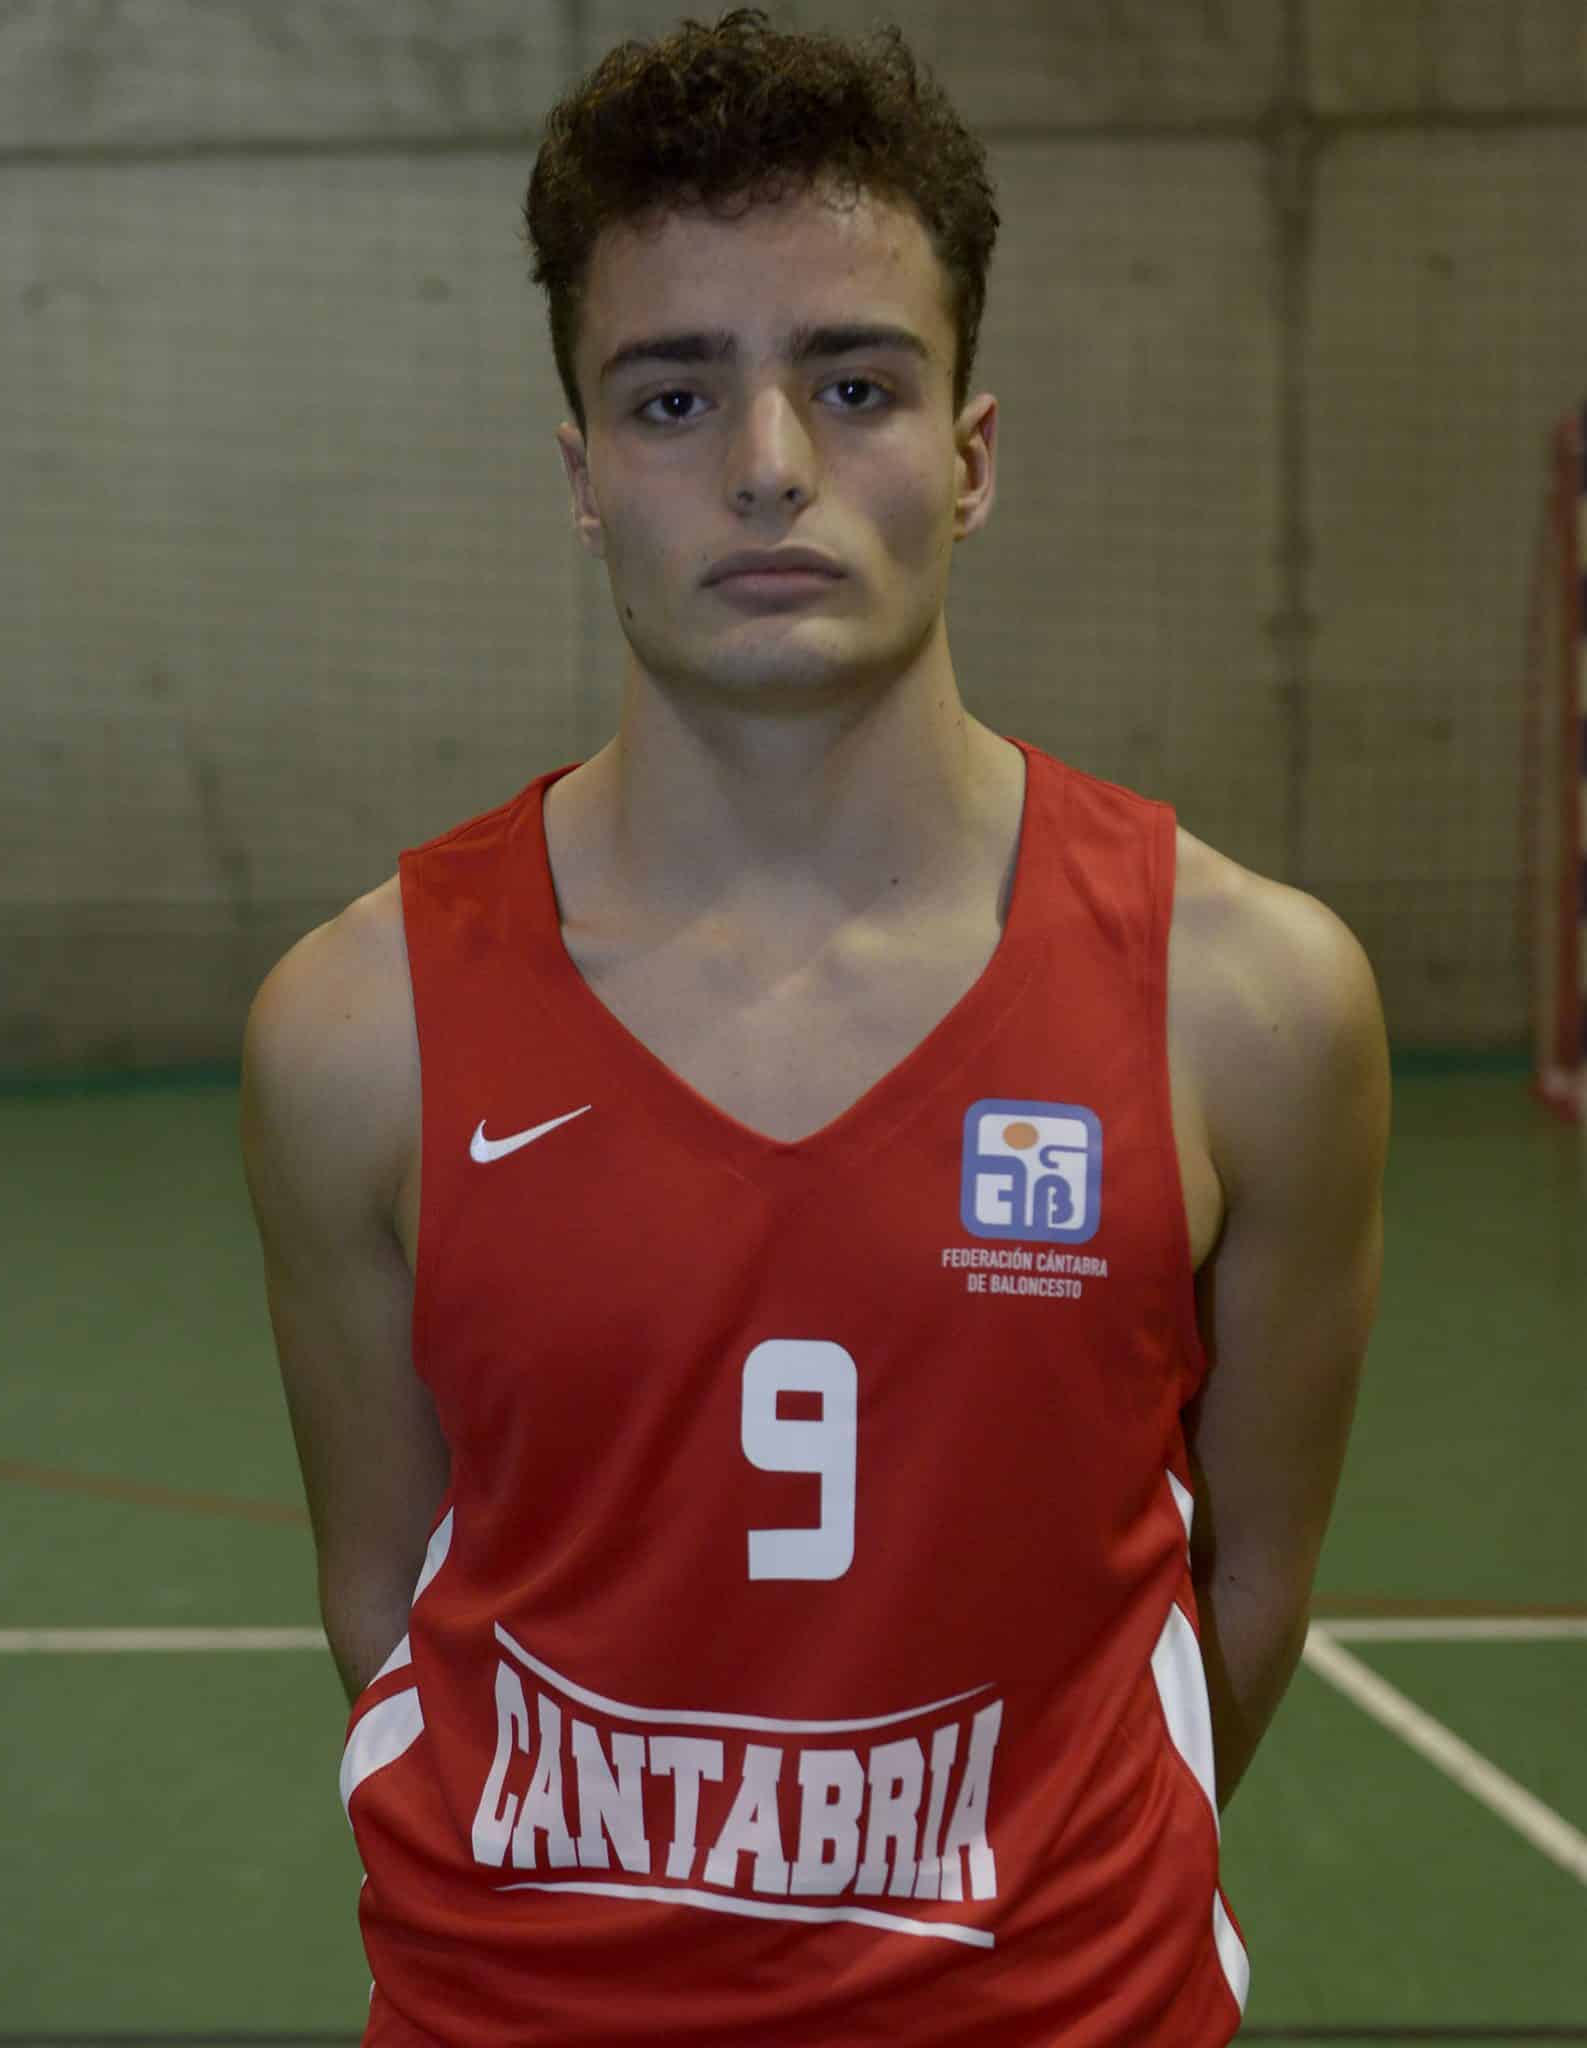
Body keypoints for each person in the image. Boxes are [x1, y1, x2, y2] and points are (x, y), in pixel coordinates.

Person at [239, 12, 1390, 2043]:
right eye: (674, 395)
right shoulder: (358, 1028)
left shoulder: (1252, 1004)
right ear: (582, 473)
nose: (769, 464)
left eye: (854, 385)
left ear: (972, 453)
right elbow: (384, 1598)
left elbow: (1253, 1590)